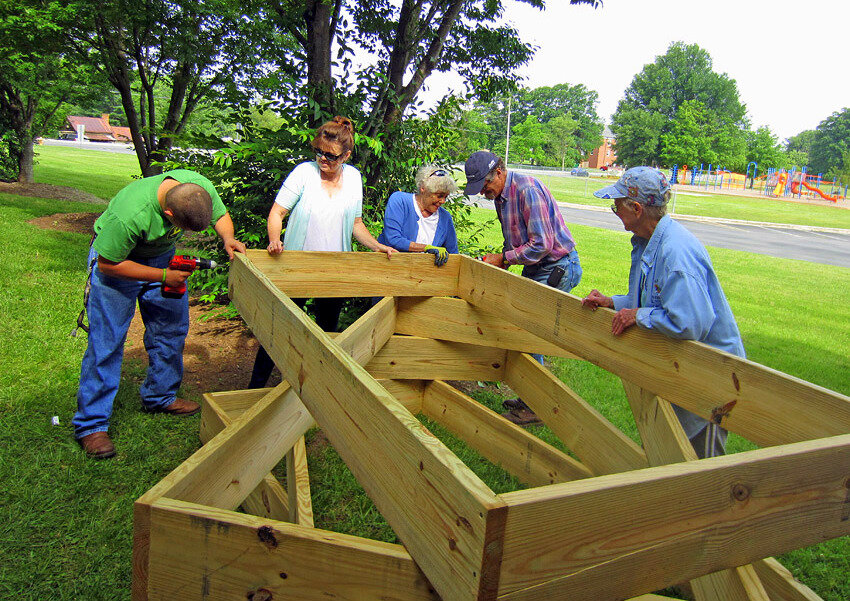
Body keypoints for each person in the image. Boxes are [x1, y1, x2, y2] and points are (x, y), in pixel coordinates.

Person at [74, 169, 246, 459]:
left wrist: (227, 238)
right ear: (167, 211)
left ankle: (159, 397)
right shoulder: (130, 215)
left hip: (161, 258)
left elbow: (220, 215)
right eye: (183, 228)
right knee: (107, 343)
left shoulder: (196, 188)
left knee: (170, 330)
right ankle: (91, 426)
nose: (188, 235)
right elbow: (108, 265)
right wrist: (163, 276)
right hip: (119, 263)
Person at [581, 166, 745, 459]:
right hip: (681, 372)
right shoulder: (650, 242)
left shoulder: (676, 253)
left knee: (699, 471)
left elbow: (689, 323)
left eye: (617, 205)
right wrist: (614, 303)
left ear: (638, 208)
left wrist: (637, 316)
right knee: (669, 456)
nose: (615, 211)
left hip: (710, 381)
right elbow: (653, 301)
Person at [248, 116, 397, 389]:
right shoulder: (304, 173)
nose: (323, 159)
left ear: (347, 156)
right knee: (277, 329)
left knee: (327, 331)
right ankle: (255, 389)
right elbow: (277, 212)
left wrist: (377, 245)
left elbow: (356, 223)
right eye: (318, 152)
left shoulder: (354, 178)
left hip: (335, 269)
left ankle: (317, 391)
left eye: (331, 155)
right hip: (296, 265)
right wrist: (274, 240)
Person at [463, 150, 582, 425]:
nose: (483, 193)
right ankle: (531, 398)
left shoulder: (527, 190)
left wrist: (504, 258)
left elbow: (542, 244)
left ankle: (536, 407)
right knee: (523, 330)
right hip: (537, 267)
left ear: (500, 173)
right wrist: (504, 260)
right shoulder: (501, 196)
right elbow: (516, 239)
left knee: (531, 334)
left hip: (557, 267)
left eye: (485, 185)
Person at [377, 164, 459, 265]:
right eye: (439, 196)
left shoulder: (445, 218)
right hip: (390, 268)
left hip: (424, 274)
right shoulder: (400, 201)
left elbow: (454, 254)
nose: (443, 201)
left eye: (445, 197)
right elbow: (393, 239)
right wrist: (426, 248)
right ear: (423, 188)